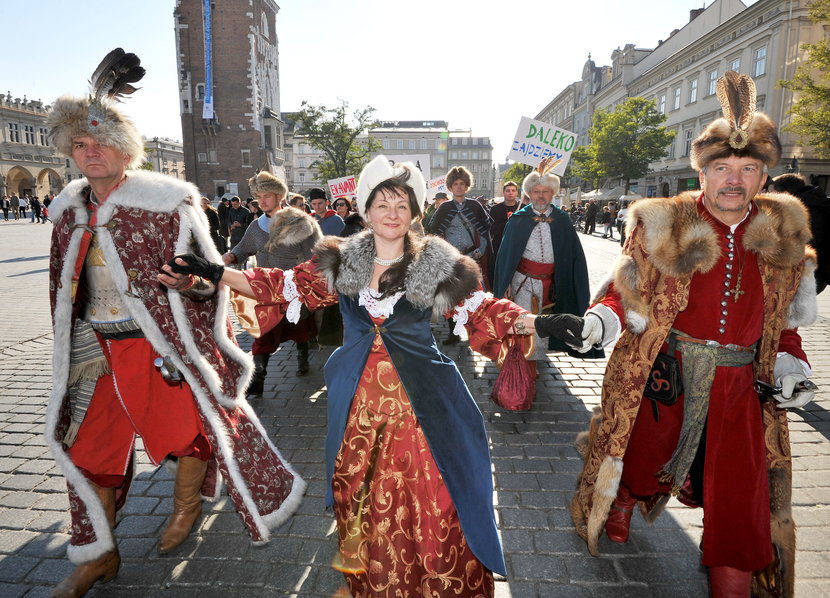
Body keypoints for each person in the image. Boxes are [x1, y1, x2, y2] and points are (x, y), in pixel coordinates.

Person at [167, 155, 575, 597]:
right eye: (382, 203)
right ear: (365, 209)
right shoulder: (341, 261)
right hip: (357, 404)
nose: (392, 213)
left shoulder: (436, 263)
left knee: (433, 499)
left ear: (416, 212)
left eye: (402, 204)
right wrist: (215, 272)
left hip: (425, 403)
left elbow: (483, 308)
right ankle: (371, 582)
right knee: (359, 494)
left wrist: (539, 324)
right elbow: (278, 285)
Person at [44, 49, 304, 598]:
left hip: (158, 346)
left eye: (101, 142)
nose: (90, 153)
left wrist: (191, 283)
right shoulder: (66, 211)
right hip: (94, 348)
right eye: (80, 145)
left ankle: (184, 510)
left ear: (125, 149)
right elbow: (60, 290)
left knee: (186, 435)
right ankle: (98, 553)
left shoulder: (168, 203)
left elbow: (210, 280)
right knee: (87, 450)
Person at [566, 72, 817, 597]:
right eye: (722, 167)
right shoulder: (664, 222)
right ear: (700, 172)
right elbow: (625, 289)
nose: (734, 179)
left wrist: (794, 367)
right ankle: (625, 500)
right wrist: (602, 319)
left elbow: (783, 327)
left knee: (738, 499)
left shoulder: (784, 235)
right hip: (665, 371)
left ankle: (731, 581)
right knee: (640, 453)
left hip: (741, 388)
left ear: (763, 177)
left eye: (748, 168)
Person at [494, 159, 601, 382]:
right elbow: (506, 256)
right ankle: (526, 361)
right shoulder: (518, 219)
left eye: (545, 191)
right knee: (526, 322)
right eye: (536, 191)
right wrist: (506, 286)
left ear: (553, 193)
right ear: (529, 193)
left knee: (546, 323)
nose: (540, 196)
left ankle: (537, 358)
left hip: (553, 283)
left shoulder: (562, 220)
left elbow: (573, 256)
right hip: (523, 281)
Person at [223, 171, 321, 388]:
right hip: (265, 290)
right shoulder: (256, 226)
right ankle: (258, 379)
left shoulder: (300, 223)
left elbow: (315, 257)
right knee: (263, 334)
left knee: (300, 329)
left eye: (267, 195)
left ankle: (302, 356)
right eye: (259, 197)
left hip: (294, 289)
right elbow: (242, 248)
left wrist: (308, 282)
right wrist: (230, 256)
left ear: (279, 196)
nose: (262, 201)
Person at [428, 166, 492, 342]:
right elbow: (434, 233)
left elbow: (486, 231)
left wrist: (481, 250)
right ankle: (453, 332)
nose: (458, 187)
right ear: (450, 186)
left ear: (466, 186)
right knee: (451, 295)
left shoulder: (475, 206)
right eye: (455, 184)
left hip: (472, 257)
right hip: (452, 259)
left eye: (462, 183)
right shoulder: (445, 207)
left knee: (473, 295)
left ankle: (475, 331)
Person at [770, 173, 830, 293]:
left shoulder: (802, 212)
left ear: (785, 194)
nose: (769, 197)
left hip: (803, 276)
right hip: (816, 273)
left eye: (771, 193)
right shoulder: (815, 206)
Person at [489, 181, 520, 257]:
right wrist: (508, 222)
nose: (510, 193)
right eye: (508, 190)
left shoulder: (523, 208)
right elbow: (491, 229)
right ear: (503, 193)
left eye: (513, 190)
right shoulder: (495, 209)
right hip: (500, 246)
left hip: (518, 246)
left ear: (516, 193)